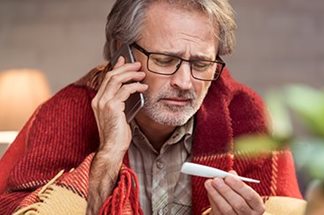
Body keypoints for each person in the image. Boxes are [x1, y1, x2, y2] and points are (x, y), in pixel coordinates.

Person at [0, 0, 303, 214]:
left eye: (200, 63)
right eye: (165, 60)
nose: (185, 82)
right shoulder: (62, 115)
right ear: (123, 54)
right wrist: (108, 156)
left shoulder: (247, 115)